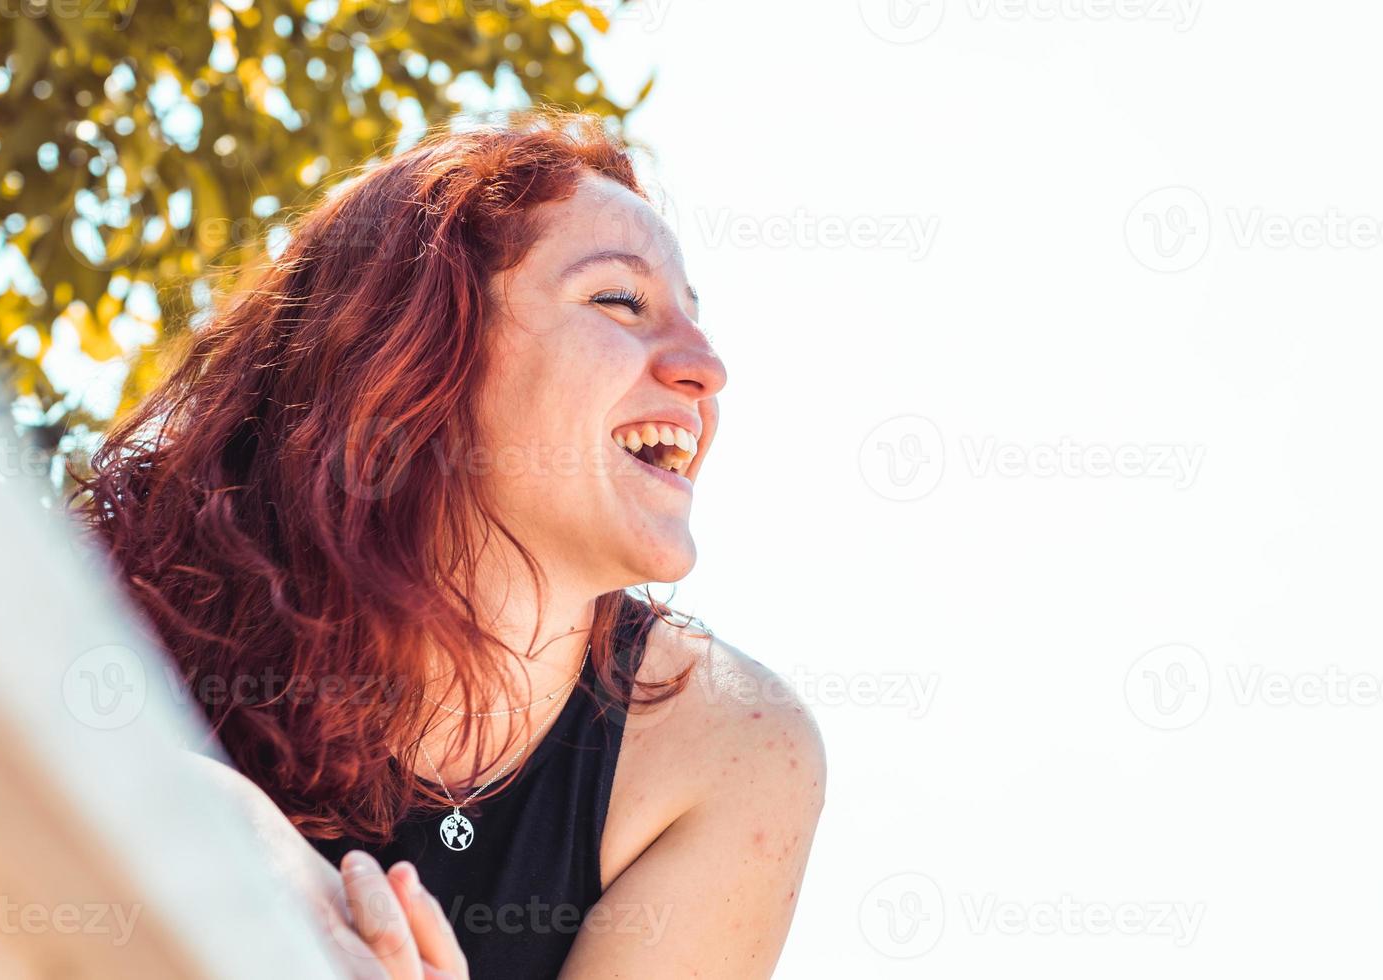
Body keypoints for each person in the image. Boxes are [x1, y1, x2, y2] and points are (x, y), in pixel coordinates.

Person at [77, 111, 826, 979]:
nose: (706, 367)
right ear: (417, 355)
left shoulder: (730, 747)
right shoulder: (124, 608)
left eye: (694, 319)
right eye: (620, 301)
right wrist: (233, 832)